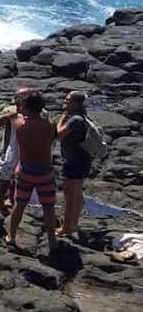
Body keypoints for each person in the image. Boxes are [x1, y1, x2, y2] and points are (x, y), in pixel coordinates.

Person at [7, 90, 58, 252]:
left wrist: (18, 110)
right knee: (48, 208)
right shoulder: (49, 125)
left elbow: (18, 119)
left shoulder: (19, 125)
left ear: (27, 108)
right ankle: (52, 240)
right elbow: (50, 138)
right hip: (45, 171)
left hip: (25, 171)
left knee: (19, 205)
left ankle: (12, 236)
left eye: (22, 106)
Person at [57, 90, 92, 238]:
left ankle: (65, 228)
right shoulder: (80, 117)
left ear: (76, 103)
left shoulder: (75, 119)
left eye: (68, 100)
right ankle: (73, 225)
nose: (65, 102)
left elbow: (58, 134)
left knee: (70, 196)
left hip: (74, 162)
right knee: (76, 195)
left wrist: (62, 117)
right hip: (82, 161)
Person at [0, 88, 29, 215]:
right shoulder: (10, 110)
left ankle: (13, 200)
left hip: (27, 150)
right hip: (9, 148)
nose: (19, 100)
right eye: (17, 97)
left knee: (19, 176)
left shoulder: (38, 111)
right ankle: (0, 202)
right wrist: (9, 116)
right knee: (5, 176)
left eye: (23, 97)